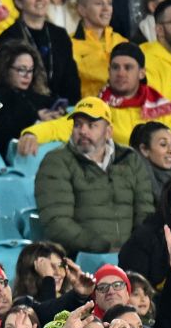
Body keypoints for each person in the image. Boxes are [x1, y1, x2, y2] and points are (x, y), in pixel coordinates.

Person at [36, 97, 156, 255]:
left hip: (130, 257)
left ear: (108, 132)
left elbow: (145, 212)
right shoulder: (56, 162)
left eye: (91, 125)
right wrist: (103, 248)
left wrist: (135, 248)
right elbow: (56, 222)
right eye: (78, 124)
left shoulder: (130, 158)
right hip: (80, 259)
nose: (83, 131)